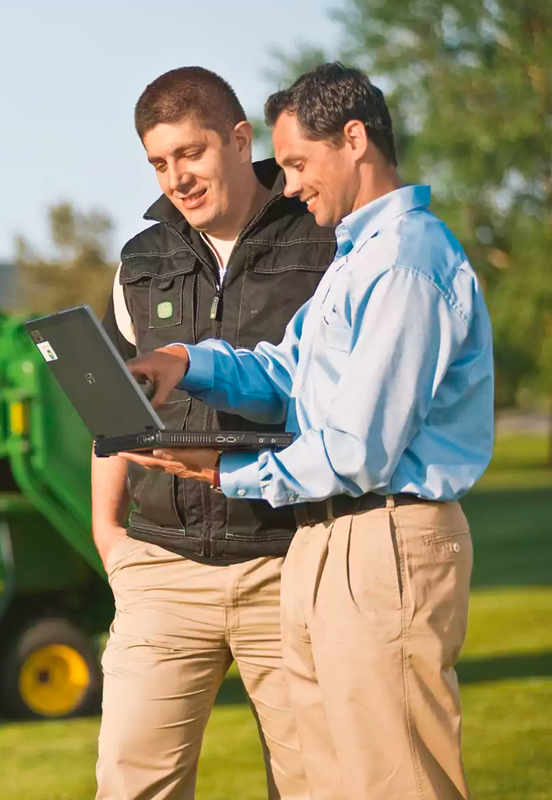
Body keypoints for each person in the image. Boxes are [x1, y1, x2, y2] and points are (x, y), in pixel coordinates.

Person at [121, 63, 494, 800]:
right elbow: (288, 374)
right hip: (325, 541)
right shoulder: (357, 258)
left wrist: (229, 472)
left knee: (395, 782)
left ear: (353, 139)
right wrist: (183, 362)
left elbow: (358, 449)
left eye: (296, 162)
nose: (287, 185)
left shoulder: (406, 261)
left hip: (383, 539)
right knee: (328, 784)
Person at [92, 66, 336, 800]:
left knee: (318, 786)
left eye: (189, 154)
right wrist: (111, 536)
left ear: (239, 139)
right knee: (130, 788)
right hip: (161, 572)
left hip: (289, 564)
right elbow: (112, 407)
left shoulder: (323, 239)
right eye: (160, 163)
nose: (177, 177)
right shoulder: (140, 261)